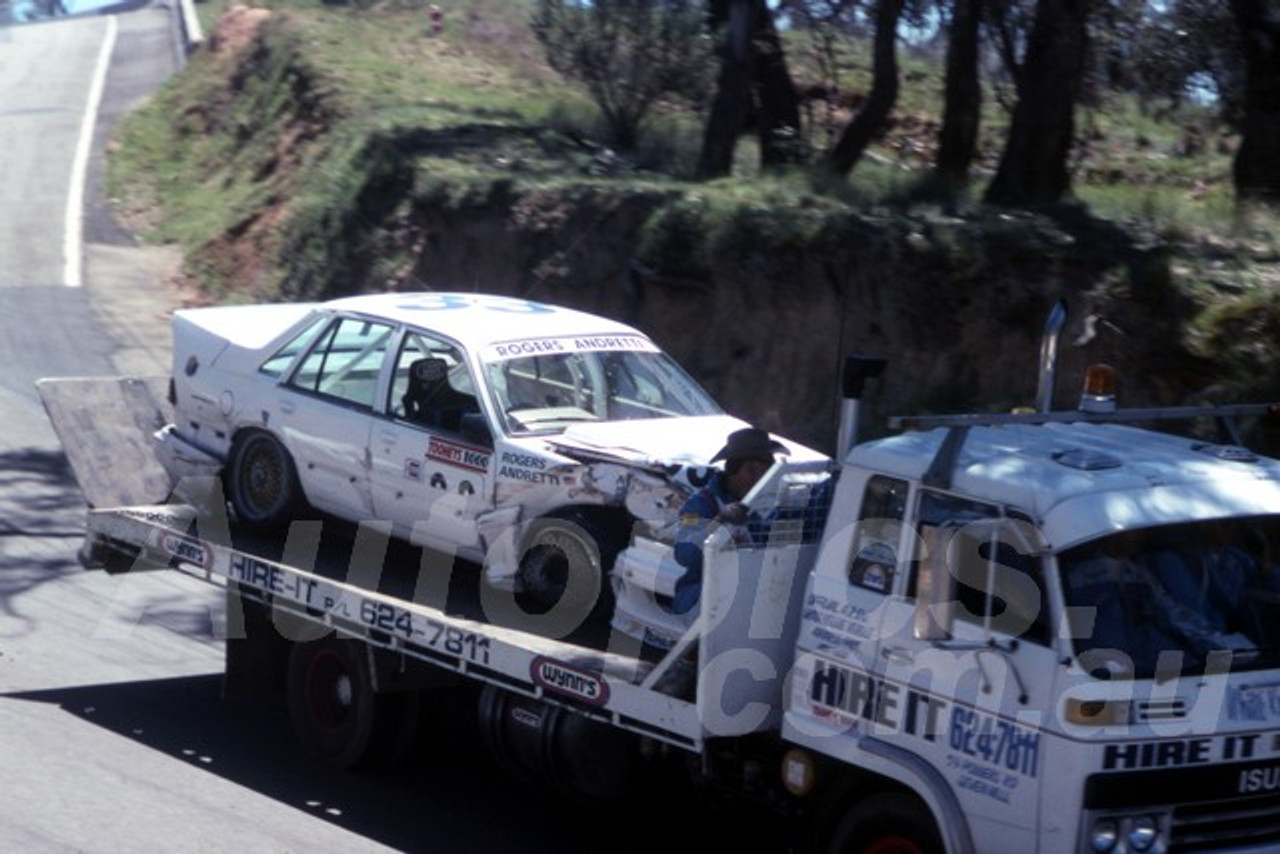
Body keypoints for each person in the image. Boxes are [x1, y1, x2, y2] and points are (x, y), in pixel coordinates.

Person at [671, 426, 788, 615]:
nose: (762, 479)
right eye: (755, 471)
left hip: (757, 595)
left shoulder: (774, 502)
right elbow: (684, 555)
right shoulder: (699, 505)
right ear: (735, 470)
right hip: (705, 598)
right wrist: (718, 522)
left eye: (768, 472)